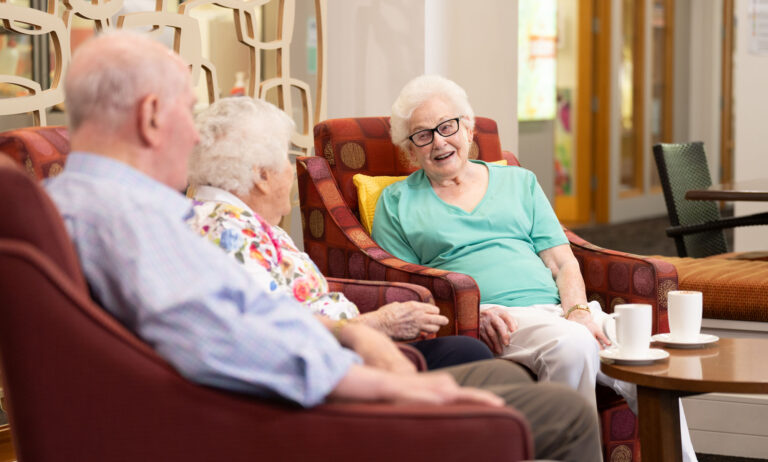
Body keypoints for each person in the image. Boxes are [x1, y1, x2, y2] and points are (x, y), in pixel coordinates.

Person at [44, 31, 602, 461]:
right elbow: (228, 344)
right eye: (188, 112)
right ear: (149, 117)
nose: (197, 137)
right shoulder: (140, 223)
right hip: (287, 416)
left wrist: (350, 336)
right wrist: (388, 378)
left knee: (506, 379)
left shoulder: (72, 205)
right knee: (561, 412)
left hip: (287, 390)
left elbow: (229, 320)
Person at [372, 74, 697, 461]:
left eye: (447, 127)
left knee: (646, 357)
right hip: (502, 319)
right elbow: (406, 287)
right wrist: (474, 311)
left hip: (558, 310)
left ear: (468, 127)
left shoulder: (519, 181)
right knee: (573, 346)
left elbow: (562, 260)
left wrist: (577, 311)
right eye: (423, 136)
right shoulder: (396, 203)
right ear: (410, 150)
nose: (439, 141)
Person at [186, 97, 492, 370]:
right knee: (469, 355)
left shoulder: (233, 219)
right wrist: (375, 323)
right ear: (262, 176)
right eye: (286, 159)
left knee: (474, 357)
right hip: (331, 363)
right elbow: (268, 329)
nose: (291, 171)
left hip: (341, 348)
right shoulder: (228, 231)